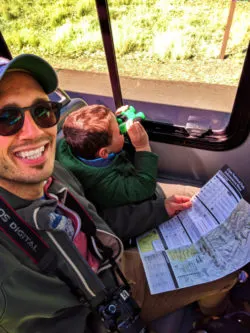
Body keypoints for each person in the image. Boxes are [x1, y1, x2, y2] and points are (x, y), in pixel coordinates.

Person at [0, 54, 238, 333]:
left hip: (113, 261)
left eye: (42, 111)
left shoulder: (53, 172)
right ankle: (213, 315)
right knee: (227, 269)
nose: (34, 132)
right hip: (106, 303)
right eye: (6, 118)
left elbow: (99, 220)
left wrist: (159, 211)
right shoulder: (8, 267)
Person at [56, 104, 161, 210]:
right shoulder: (104, 185)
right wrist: (142, 146)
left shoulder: (75, 141)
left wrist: (118, 118)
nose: (121, 129)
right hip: (123, 207)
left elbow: (93, 131)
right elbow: (144, 187)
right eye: (119, 131)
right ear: (104, 153)